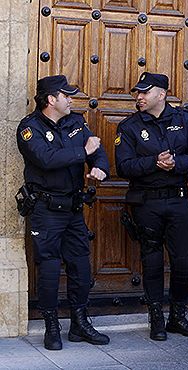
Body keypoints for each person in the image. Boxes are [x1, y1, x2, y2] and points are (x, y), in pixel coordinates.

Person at [16, 75, 111, 350]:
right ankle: (51, 327)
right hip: (46, 210)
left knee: (81, 266)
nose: (71, 99)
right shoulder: (29, 128)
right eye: (66, 95)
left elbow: (97, 150)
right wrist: (84, 152)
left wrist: (100, 166)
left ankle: (80, 324)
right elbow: (46, 159)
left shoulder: (76, 122)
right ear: (51, 100)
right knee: (48, 268)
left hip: (73, 208)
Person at [115, 72, 188, 341]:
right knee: (151, 260)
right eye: (138, 93)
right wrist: (154, 162)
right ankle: (156, 317)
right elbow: (124, 166)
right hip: (147, 202)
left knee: (183, 260)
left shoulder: (184, 121)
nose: (139, 97)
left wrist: (176, 163)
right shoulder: (129, 127)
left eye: (144, 92)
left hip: (178, 200)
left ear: (161, 94)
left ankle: (178, 315)